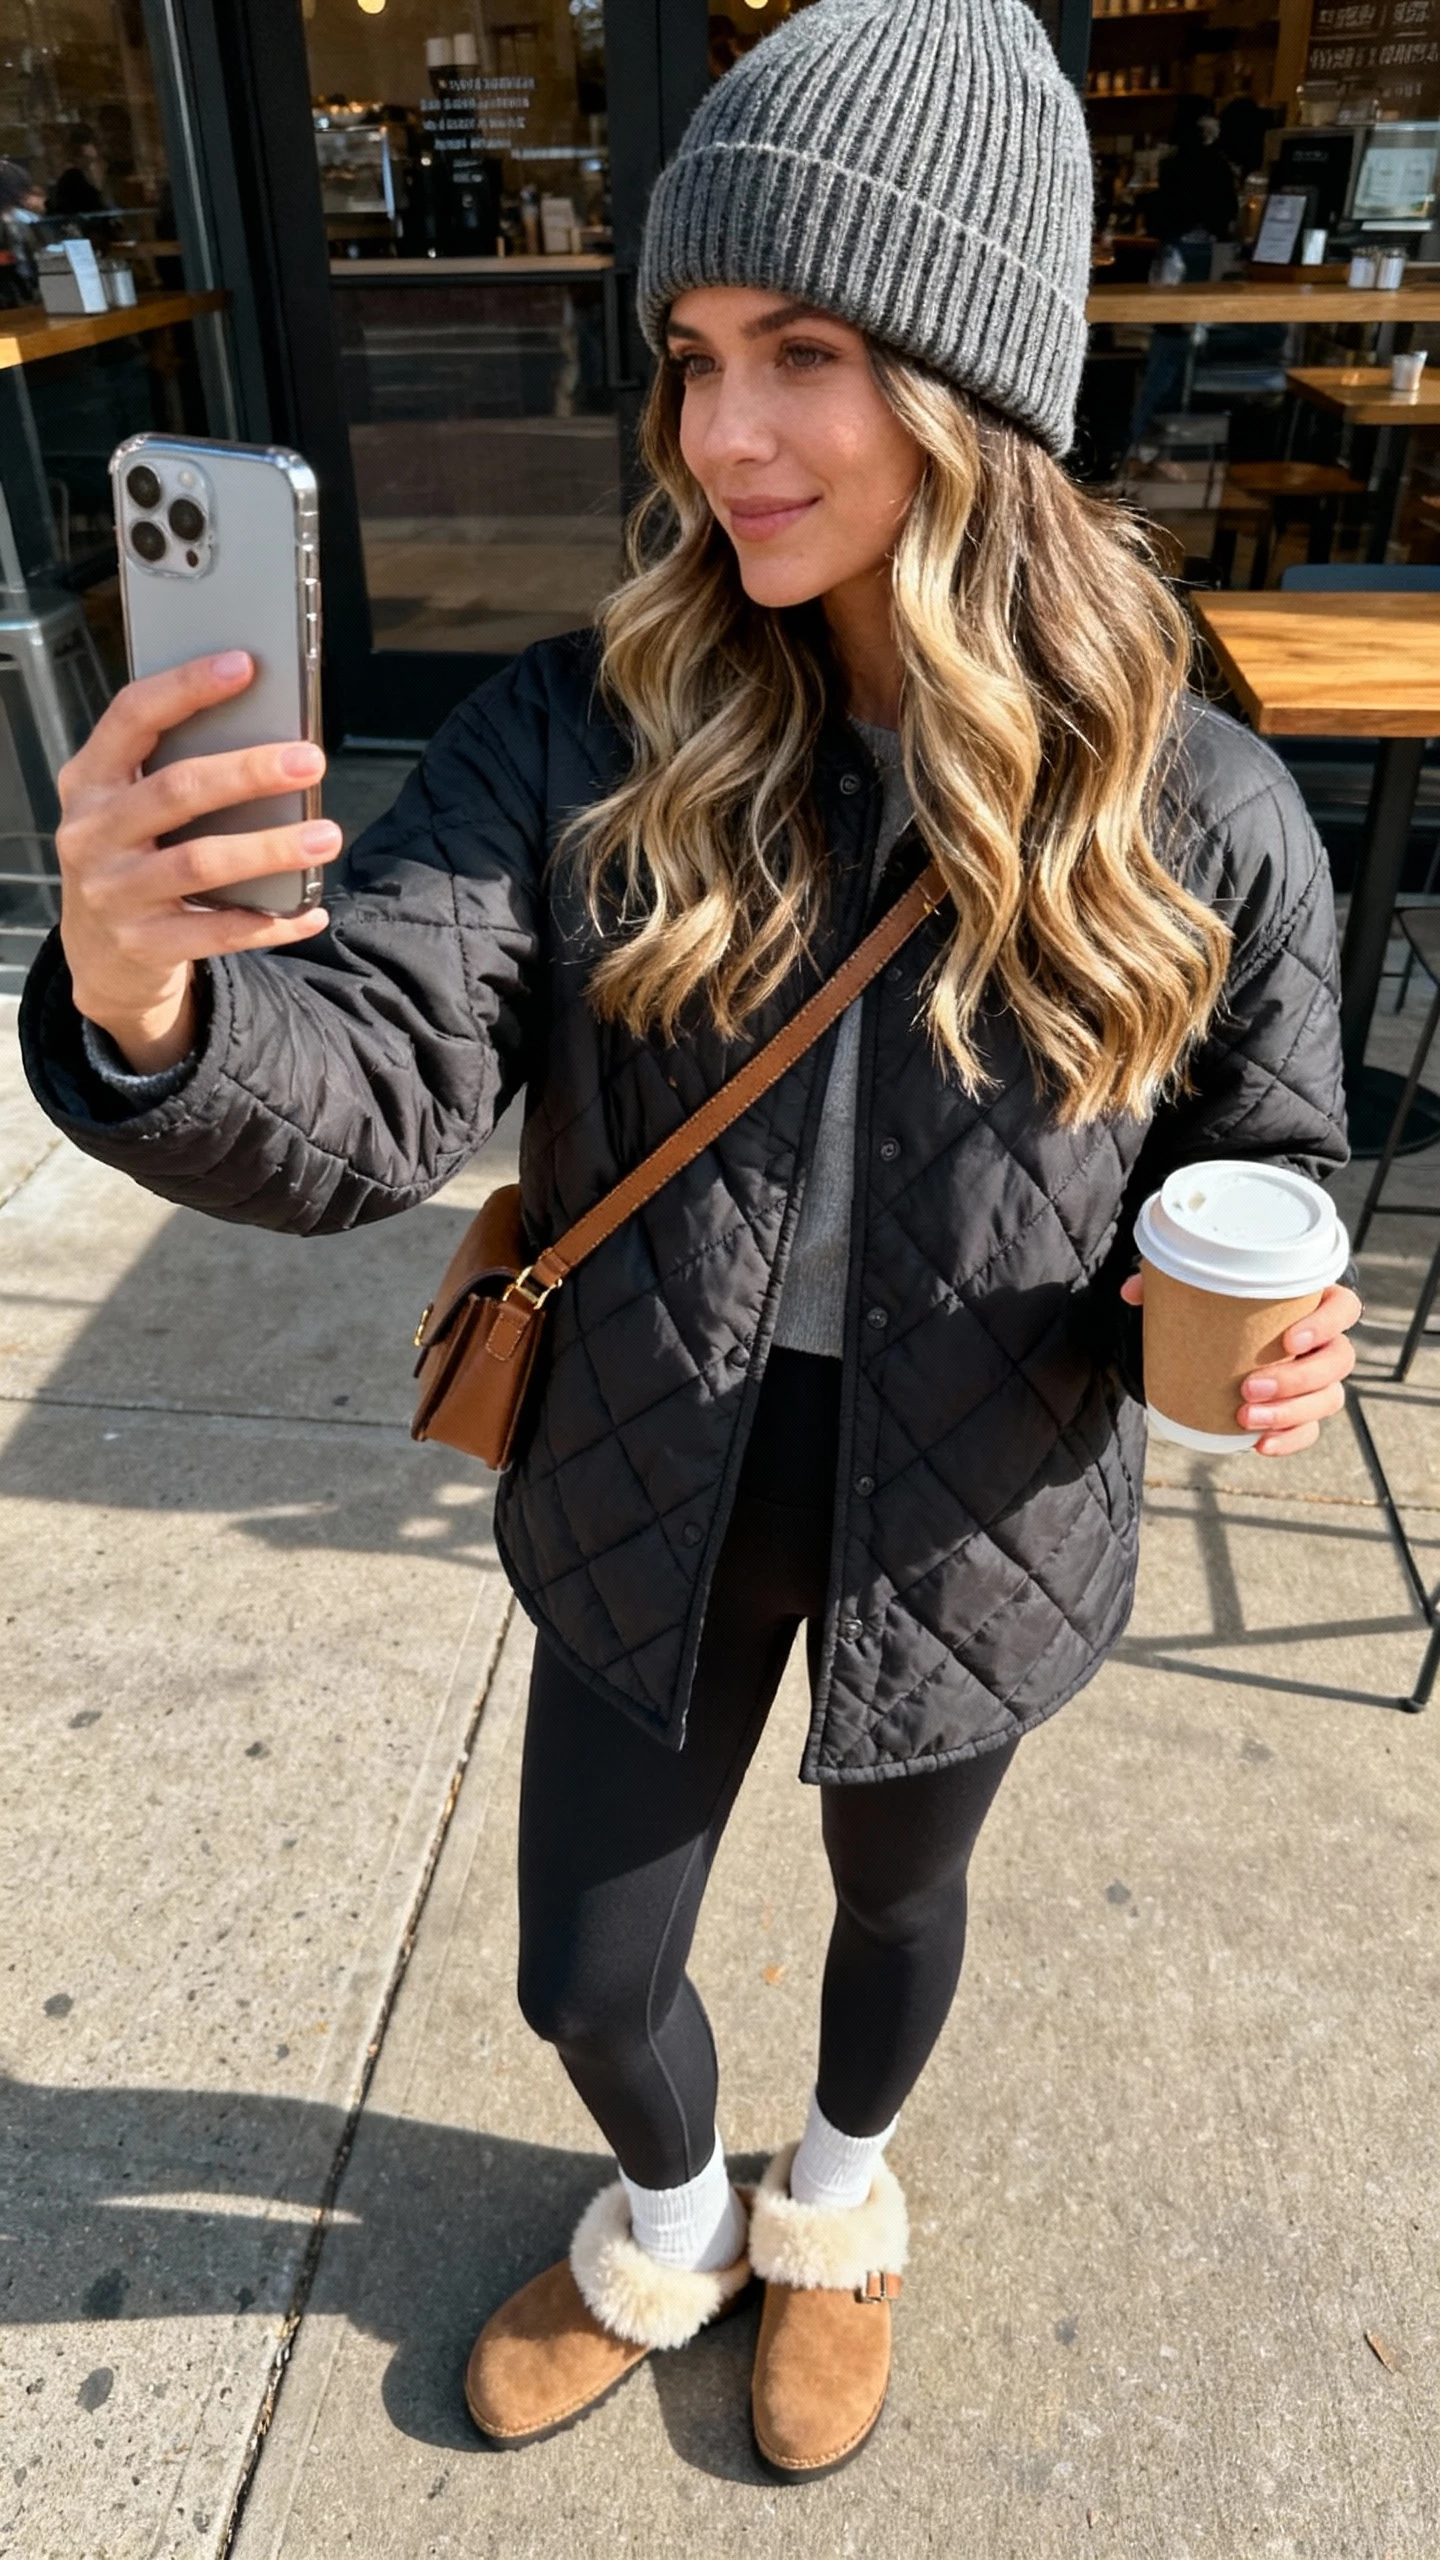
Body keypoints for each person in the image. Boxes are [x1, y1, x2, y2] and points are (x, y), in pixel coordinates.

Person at [21, 0, 1359, 2482]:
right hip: (654, 1457)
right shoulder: (585, 734)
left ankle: (835, 2202)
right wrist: (150, 1003)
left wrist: (1279, 1332)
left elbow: (1265, 1141)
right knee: (583, 1967)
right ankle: (668, 2214)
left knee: (897, 1904)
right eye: (694, 356)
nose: (724, 430)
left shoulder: (1201, 808)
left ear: (975, 387)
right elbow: (375, 1079)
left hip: (979, 1492)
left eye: (807, 354)